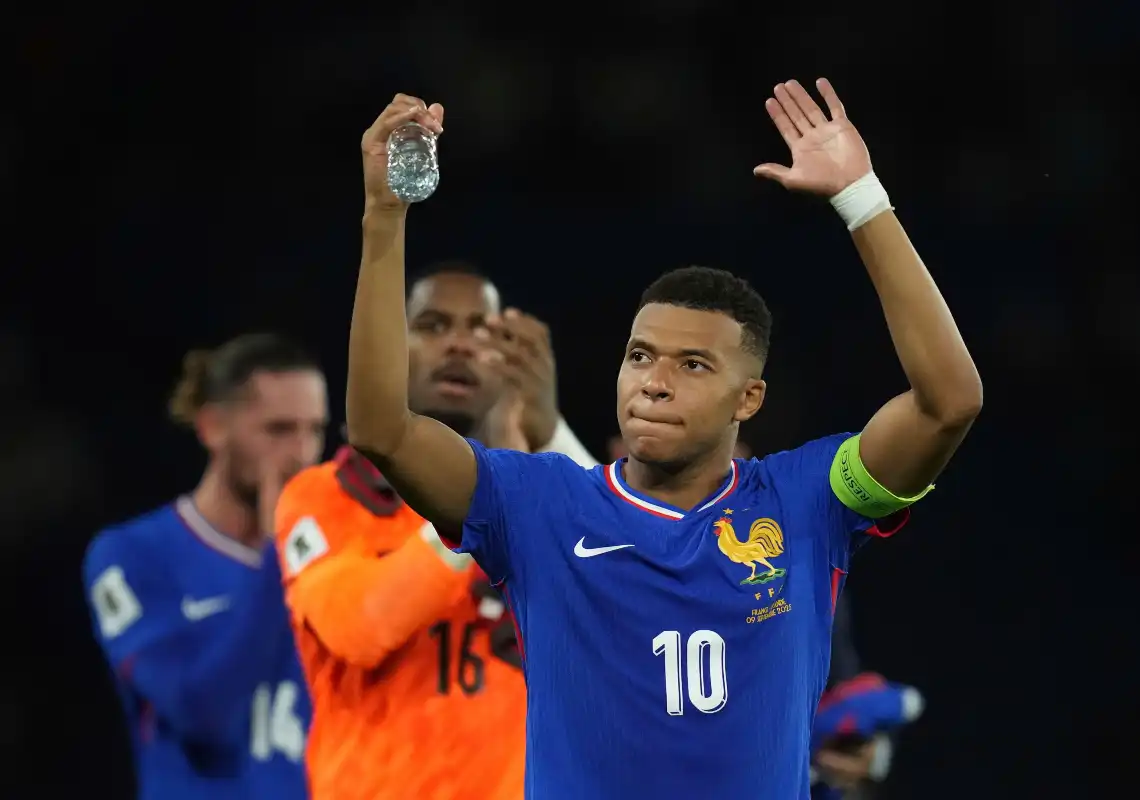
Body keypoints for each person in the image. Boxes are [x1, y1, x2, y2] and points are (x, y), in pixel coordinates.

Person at [345, 79, 981, 799]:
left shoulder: (808, 502)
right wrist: (384, 215)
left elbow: (949, 404)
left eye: (693, 365)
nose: (653, 382)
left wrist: (863, 201)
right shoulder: (536, 505)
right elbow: (381, 429)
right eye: (640, 356)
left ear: (749, 398)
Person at [275, 261, 597, 800]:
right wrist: (487, 504)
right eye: (433, 325)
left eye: (482, 329)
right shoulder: (324, 494)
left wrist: (550, 429)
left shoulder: (534, 490)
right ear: (391, 346)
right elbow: (359, 627)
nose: (460, 345)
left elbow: (631, 565)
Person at [83, 334, 326, 800]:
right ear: (213, 427)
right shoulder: (133, 556)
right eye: (278, 431)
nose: (302, 454)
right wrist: (278, 556)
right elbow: (202, 714)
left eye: (314, 430)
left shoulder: (334, 555)